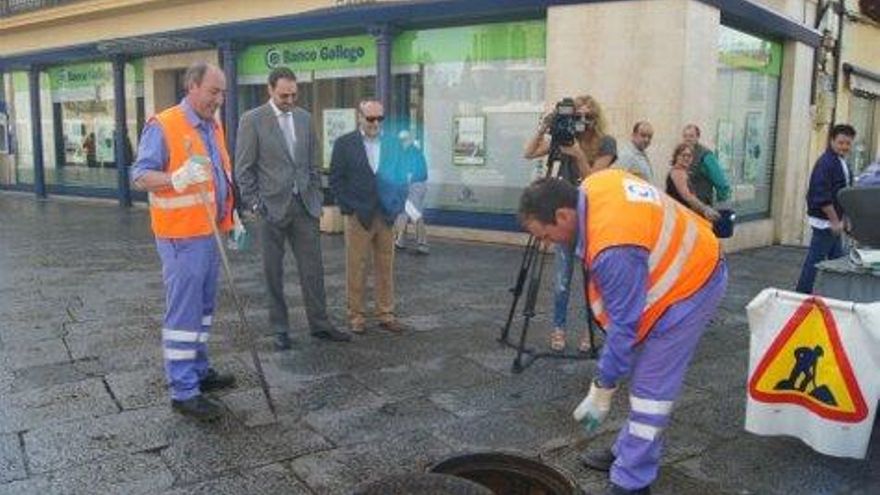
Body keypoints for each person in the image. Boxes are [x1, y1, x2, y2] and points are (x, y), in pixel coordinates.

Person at [518, 171, 727, 495]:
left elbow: (624, 327)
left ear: (562, 214)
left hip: (692, 285)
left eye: (545, 235)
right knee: (643, 371)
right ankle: (627, 449)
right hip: (688, 257)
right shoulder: (592, 185)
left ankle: (631, 480)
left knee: (650, 391)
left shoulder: (613, 247)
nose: (547, 244)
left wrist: (602, 387)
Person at [130, 62, 236, 421]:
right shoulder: (164, 124)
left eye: (222, 93)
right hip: (181, 237)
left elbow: (221, 173)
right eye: (213, 92)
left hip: (208, 233)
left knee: (204, 310)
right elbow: (140, 176)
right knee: (184, 315)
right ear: (192, 86)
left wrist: (230, 211)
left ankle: (199, 371)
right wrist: (175, 178)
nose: (219, 99)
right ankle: (183, 390)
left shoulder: (213, 125)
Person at [235, 67, 351, 350]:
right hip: (270, 208)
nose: (290, 100)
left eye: (294, 95)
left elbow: (312, 162)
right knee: (272, 271)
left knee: (313, 270)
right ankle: (280, 329)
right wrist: (255, 203)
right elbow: (243, 169)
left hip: (304, 206)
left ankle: (320, 325)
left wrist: (315, 196)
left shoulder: (304, 118)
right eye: (284, 95)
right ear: (270, 90)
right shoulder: (252, 120)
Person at [523, 94, 617, 353]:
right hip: (564, 220)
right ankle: (558, 328)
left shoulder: (606, 143)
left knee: (593, 281)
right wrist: (545, 127)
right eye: (578, 116)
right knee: (562, 280)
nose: (583, 121)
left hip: (591, 220)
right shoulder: (563, 140)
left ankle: (591, 329)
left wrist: (577, 155)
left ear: (596, 119)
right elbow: (528, 152)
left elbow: (594, 182)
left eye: (589, 116)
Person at [329, 99, 408, 334]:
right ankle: (356, 316)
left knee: (386, 266)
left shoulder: (393, 144)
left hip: (386, 214)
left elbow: (402, 177)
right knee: (356, 267)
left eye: (379, 119)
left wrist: (397, 206)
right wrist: (348, 208)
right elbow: (336, 180)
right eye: (370, 118)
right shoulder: (345, 144)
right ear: (359, 117)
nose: (375, 123)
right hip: (358, 215)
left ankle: (386, 314)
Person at [795, 124, 856, 294]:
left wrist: (845, 219)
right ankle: (802, 294)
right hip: (825, 222)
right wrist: (835, 221)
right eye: (841, 142)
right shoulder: (826, 163)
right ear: (831, 141)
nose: (844, 146)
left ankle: (837, 294)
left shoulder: (839, 161)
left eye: (848, 143)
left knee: (837, 261)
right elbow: (822, 195)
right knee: (816, 261)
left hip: (833, 222)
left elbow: (844, 192)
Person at [393, 129, 430, 255]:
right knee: (402, 213)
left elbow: (410, 173)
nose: (401, 142)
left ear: (409, 139)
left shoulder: (412, 152)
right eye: (400, 140)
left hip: (414, 185)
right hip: (412, 185)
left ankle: (422, 244)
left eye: (403, 139)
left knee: (414, 213)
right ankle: (400, 241)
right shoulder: (407, 152)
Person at [665, 143, 720, 222]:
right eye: (683, 155)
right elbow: (687, 196)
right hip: (677, 217)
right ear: (676, 157)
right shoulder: (677, 172)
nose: (686, 158)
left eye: (689, 156)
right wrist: (705, 209)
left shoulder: (683, 171)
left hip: (681, 215)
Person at [682, 124, 730, 206]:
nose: (687, 139)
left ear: (697, 137)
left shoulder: (706, 156)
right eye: (685, 136)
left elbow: (720, 180)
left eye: (691, 136)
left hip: (702, 204)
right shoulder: (683, 154)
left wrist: (722, 200)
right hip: (686, 203)